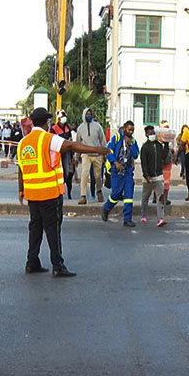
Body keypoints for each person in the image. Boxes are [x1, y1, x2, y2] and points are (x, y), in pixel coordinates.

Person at [18, 108, 110, 276]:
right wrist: (98, 150)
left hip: (32, 195)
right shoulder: (48, 139)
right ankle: (58, 266)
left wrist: (20, 190)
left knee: (35, 229)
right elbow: (72, 145)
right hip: (49, 194)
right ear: (46, 123)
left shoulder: (23, 142)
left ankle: (32, 262)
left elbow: (21, 169)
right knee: (53, 230)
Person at [102, 121, 139, 227]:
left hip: (127, 171)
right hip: (117, 171)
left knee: (129, 194)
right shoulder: (117, 138)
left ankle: (127, 219)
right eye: (129, 130)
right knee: (116, 194)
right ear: (124, 128)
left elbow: (136, 154)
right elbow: (108, 151)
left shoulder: (133, 141)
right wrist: (115, 163)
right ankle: (106, 209)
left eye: (132, 130)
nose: (131, 132)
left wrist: (130, 145)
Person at [75, 107, 107, 204]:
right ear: (84, 115)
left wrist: (104, 153)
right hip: (86, 154)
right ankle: (83, 196)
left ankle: (99, 191)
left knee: (98, 176)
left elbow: (102, 140)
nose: (89, 116)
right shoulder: (80, 128)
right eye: (87, 114)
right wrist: (76, 157)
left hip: (97, 154)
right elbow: (78, 143)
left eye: (90, 114)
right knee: (84, 175)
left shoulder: (97, 126)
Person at [139, 125, 167, 227]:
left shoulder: (159, 145)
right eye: (150, 133)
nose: (152, 135)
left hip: (158, 175)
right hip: (148, 177)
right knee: (145, 197)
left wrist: (166, 145)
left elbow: (163, 156)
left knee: (161, 197)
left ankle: (161, 218)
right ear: (146, 135)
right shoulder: (145, 147)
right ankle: (143, 215)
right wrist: (146, 175)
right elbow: (144, 163)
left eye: (153, 133)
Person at [50, 109, 75, 199]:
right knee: (64, 173)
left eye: (64, 116)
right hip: (59, 153)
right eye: (62, 116)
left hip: (68, 152)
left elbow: (71, 138)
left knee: (69, 173)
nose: (64, 118)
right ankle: (60, 191)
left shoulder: (68, 126)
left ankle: (69, 193)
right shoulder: (54, 128)